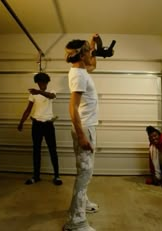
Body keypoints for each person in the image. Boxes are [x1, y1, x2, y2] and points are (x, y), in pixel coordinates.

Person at [62, 34, 99, 231]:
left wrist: (93, 44)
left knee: (87, 171)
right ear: (80, 55)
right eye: (87, 50)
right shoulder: (78, 75)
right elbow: (72, 108)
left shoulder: (82, 70)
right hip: (83, 128)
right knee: (84, 174)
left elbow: (93, 64)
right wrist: (82, 135)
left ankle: (83, 204)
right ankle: (75, 222)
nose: (90, 52)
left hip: (87, 126)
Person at [17, 72, 62, 186]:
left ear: (47, 83)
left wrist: (39, 92)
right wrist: (21, 122)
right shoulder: (33, 95)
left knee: (53, 150)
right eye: (39, 83)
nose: (41, 85)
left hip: (48, 125)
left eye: (43, 83)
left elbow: (51, 97)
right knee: (36, 151)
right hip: (36, 125)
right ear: (37, 83)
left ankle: (57, 176)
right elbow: (28, 110)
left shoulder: (51, 92)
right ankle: (36, 176)